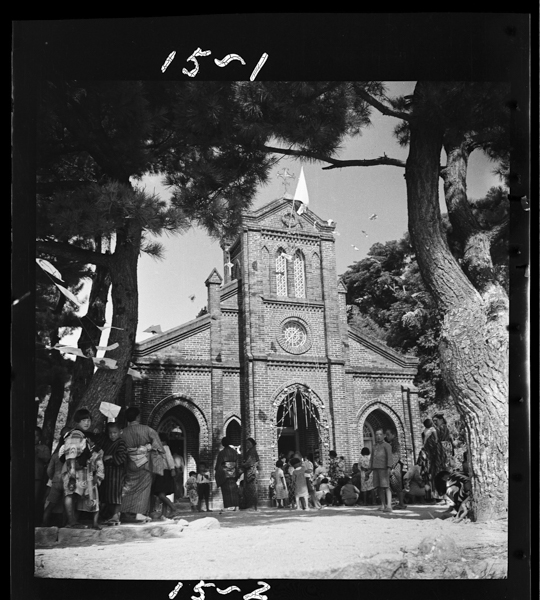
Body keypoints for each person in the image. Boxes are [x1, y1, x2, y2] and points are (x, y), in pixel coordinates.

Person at [120, 406, 166, 523]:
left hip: (130, 462)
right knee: (144, 488)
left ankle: (123, 511)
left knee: (128, 487)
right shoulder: (147, 430)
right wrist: (148, 448)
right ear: (138, 417)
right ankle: (139, 513)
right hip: (144, 463)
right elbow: (158, 445)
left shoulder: (123, 432)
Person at [59, 409, 104, 529]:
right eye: (84, 420)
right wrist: (72, 472)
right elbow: (71, 454)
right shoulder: (75, 434)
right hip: (73, 469)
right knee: (70, 493)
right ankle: (71, 522)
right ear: (78, 421)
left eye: (88, 420)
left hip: (80, 470)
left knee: (74, 495)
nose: (87, 423)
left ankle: (73, 521)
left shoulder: (82, 435)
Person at [99, 422, 128, 525]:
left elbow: (121, 458)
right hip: (107, 473)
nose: (112, 435)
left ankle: (116, 516)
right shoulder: (107, 442)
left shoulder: (121, 443)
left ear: (120, 432)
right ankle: (110, 516)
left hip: (117, 473)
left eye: (115, 433)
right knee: (108, 495)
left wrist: (110, 457)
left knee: (116, 495)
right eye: (110, 433)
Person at [42, 427, 70, 527]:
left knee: (51, 504)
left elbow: (49, 470)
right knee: (67, 505)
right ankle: (64, 525)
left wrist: (52, 478)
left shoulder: (56, 455)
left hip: (56, 481)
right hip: (67, 481)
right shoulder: (72, 454)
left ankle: (44, 524)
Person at [152, 433, 181, 519]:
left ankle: (173, 508)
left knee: (161, 494)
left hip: (165, 472)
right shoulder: (159, 448)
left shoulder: (164, 447)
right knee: (162, 494)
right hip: (162, 471)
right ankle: (163, 514)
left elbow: (169, 458)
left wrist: (172, 469)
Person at [366, 428, 393, 513]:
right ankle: (383, 504)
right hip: (375, 469)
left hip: (384, 469)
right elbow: (372, 459)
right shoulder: (374, 446)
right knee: (379, 487)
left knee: (386, 486)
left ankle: (389, 505)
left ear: (384, 435)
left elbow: (389, 458)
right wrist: (369, 470)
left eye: (380, 434)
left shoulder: (387, 446)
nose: (378, 436)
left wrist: (389, 468)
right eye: (377, 434)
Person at [215, 436, 240, 511]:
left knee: (226, 490)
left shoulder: (222, 453)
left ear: (223, 444)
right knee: (234, 490)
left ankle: (228, 506)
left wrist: (218, 471)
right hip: (233, 472)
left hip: (224, 473)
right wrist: (236, 472)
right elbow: (237, 463)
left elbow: (219, 464)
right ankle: (236, 506)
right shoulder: (234, 452)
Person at [384, 428, 407, 509]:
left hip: (395, 467)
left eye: (388, 435)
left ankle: (401, 504)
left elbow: (395, 456)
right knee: (393, 486)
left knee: (397, 485)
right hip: (392, 466)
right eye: (386, 435)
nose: (387, 437)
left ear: (393, 435)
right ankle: (396, 503)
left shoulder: (395, 443)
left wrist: (391, 467)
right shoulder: (390, 443)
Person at [35, 426, 51, 523]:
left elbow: (47, 458)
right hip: (23, 478)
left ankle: (36, 519)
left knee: (35, 498)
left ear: (40, 437)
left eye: (37, 436)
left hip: (37, 477)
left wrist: (37, 452)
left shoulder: (43, 448)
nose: (34, 438)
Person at [241, 437, 260, 511]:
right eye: (247, 443)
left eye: (249, 443)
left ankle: (251, 506)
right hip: (251, 471)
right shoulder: (251, 451)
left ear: (252, 443)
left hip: (251, 472)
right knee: (251, 489)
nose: (247, 445)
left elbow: (249, 462)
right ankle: (252, 505)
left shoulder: (252, 451)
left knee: (251, 489)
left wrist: (243, 464)